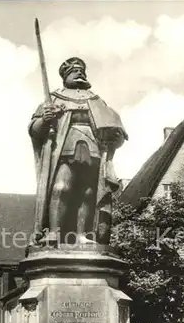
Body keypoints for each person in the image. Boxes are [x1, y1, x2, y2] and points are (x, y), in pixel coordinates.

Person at [29, 57, 128, 245]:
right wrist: (44, 120)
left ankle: (83, 234)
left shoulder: (96, 100)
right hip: (64, 147)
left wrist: (116, 136)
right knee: (61, 187)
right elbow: (34, 129)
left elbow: (116, 128)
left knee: (88, 192)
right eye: (74, 70)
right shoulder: (54, 98)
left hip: (93, 148)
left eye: (81, 70)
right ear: (65, 76)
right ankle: (54, 232)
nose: (79, 73)